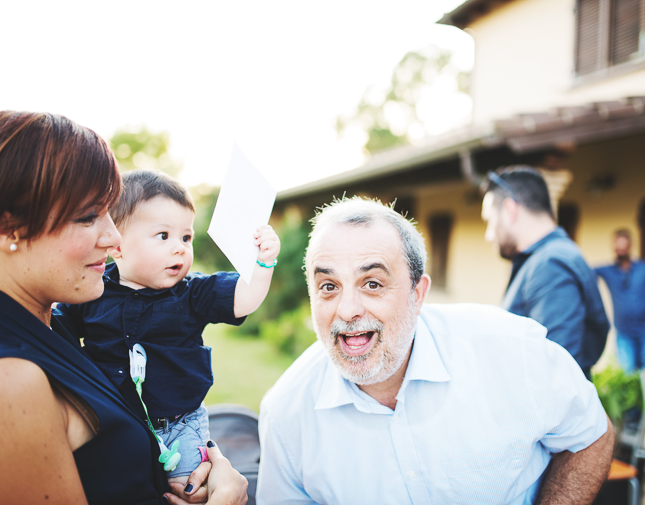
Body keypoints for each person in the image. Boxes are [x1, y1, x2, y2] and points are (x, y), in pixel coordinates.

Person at [257, 196, 615, 505]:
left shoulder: (512, 352)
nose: (347, 309)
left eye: (372, 283)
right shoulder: (287, 414)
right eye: (329, 286)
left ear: (418, 293)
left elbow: (591, 437)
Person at [0, 110, 248, 505]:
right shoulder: (2, 381)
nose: (115, 238)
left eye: (109, 211)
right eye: (88, 217)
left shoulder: (46, 318)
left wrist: (205, 465)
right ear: (6, 229)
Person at [58, 169, 280, 487]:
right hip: (114, 423)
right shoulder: (93, 290)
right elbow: (57, 325)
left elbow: (244, 299)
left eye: (186, 237)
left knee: (186, 490)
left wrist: (263, 265)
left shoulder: (192, 293)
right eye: (164, 236)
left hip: (180, 425)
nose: (179, 247)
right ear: (117, 247)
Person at [481, 166, 610, 379]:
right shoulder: (544, 258)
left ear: (510, 210)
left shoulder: (551, 265)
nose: (488, 235)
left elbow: (555, 374)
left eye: (489, 220)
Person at [594, 228, 645, 373]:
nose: (621, 250)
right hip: (624, 332)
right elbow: (585, 274)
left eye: (624, 246)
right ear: (614, 247)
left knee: (644, 371)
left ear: (630, 247)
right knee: (628, 372)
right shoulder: (607, 271)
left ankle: (644, 397)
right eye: (618, 246)